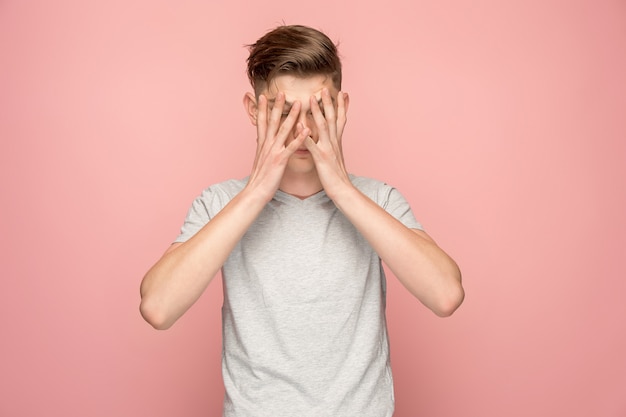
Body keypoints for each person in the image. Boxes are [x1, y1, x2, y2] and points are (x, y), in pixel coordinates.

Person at [140, 24, 464, 417]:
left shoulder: (378, 200)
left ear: (341, 108)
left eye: (317, 110)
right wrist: (258, 189)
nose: (302, 129)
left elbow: (446, 295)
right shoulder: (220, 203)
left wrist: (341, 188)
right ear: (253, 111)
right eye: (284, 111)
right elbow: (157, 307)